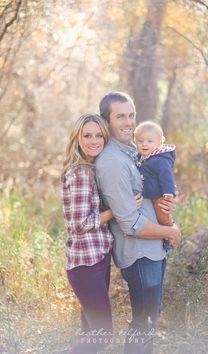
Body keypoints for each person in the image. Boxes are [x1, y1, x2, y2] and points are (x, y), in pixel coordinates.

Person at [95, 92, 181, 354]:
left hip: (152, 249)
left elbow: (152, 190)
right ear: (106, 121)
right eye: (120, 116)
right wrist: (170, 231)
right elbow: (129, 222)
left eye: (131, 115)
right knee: (143, 322)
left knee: (148, 320)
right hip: (139, 252)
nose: (129, 122)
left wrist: (166, 204)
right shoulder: (111, 161)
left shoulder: (133, 150)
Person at [61, 114, 114, 354]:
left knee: (90, 335)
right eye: (87, 135)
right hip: (85, 265)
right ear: (77, 139)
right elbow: (79, 224)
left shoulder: (92, 169)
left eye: (98, 134)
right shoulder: (80, 173)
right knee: (102, 336)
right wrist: (115, 211)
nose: (94, 140)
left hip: (98, 257)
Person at [134, 120, 176, 251]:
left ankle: (169, 237)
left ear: (159, 143)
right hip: (148, 195)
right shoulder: (141, 157)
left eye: (149, 141)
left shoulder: (160, 159)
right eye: (140, 141)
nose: (144, 144)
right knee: (153, 219)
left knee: (163, 217)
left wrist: (168, 192)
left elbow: (167, 176)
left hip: (159, 196)